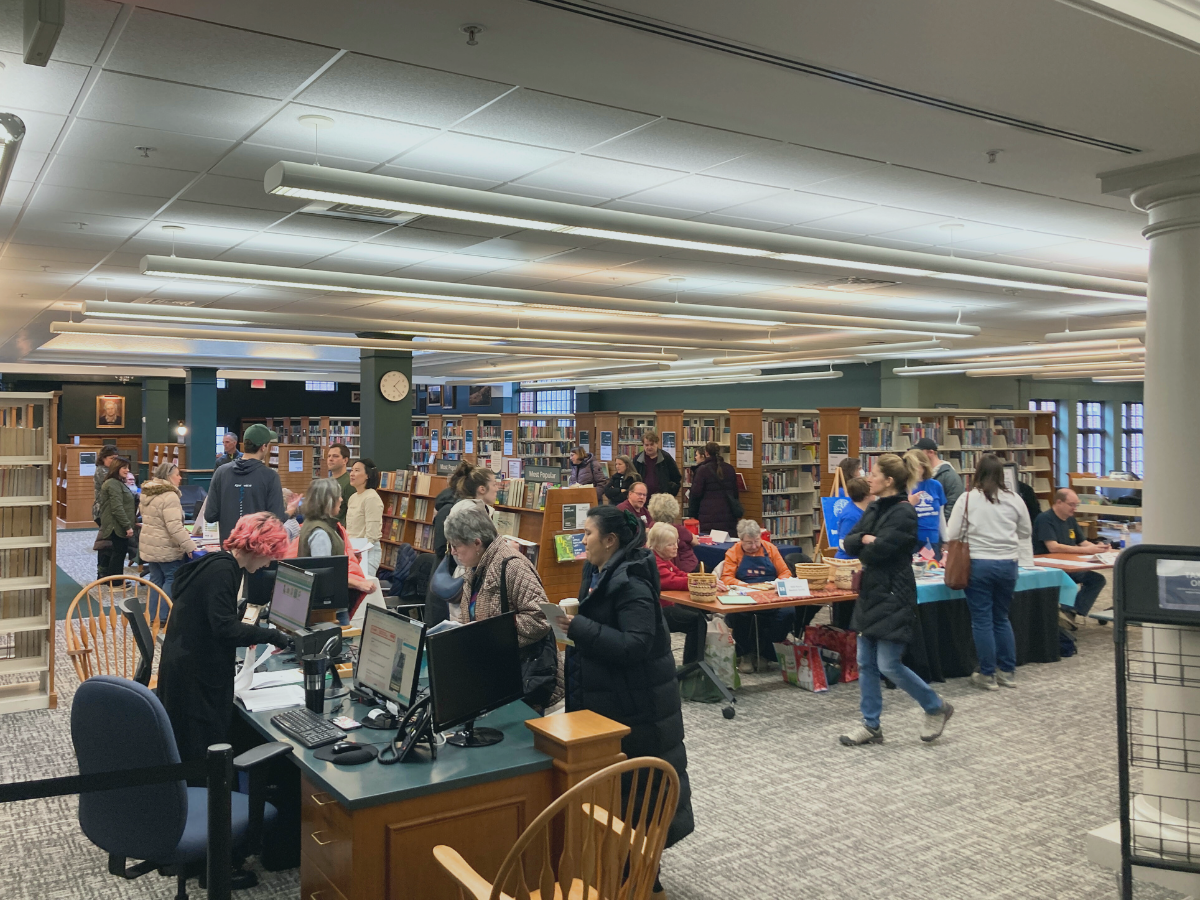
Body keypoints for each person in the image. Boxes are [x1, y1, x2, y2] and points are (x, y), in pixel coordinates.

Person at [558, 506, 694, 866]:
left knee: (639, 799)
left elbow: (635, 646)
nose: (582, 540)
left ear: (610, 540)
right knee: (620, 795)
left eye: (587, 533)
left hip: (638, 709)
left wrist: (577, 629)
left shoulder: (631, 583)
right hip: (615, 702)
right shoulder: (599, 572)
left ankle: (643, 878)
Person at [156, 512, 291, 765]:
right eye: (271, 555)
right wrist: (274, 636)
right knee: (201, 752)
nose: (269, 563)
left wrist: (239, 615)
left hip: (184, 667)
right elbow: (224, 629)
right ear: (260, 547)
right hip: (194, 680)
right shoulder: (223, 570)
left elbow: (212, 614)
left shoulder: (219, 563)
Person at [839, 453, 954, 747]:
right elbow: (849, 542)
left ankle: (935, 706)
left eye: (874, 474)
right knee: (865, 662)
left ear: (888, 481)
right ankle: (871, 725)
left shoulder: (904, 513)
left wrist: (868, 541)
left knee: (888, 664)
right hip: (871, 592)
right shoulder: (875, 507)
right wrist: (867, 540)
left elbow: (881, 551)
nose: (869, 478)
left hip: (894, 593)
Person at [444, 499, 563, 711]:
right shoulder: (475, 567)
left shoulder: (512, 566)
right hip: (494, 677)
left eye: (456, 546)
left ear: (477, 542)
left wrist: (495, 633)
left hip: (523, 678)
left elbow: (541, 617)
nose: (452, 552)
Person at [946, 453, 1033, 690]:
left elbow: (952, 533)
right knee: (1001, 617)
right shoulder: (1015, 498)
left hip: (979, 563)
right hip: (1008, 564)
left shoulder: (967, 499)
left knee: (982, 619)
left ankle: (987, 674)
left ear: (977, 472)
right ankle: (1007, 672)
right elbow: (1026, 531)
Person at [429, 462, 498, 625]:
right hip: (467, 576)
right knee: (464, 625)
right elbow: (475, 547)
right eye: (494, 484)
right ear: (482, 489)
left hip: (467, 574)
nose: (497, 488)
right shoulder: (469, 511)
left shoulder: (469, 507)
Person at [720, 518, 792, 673]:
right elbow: (726, 578)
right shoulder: (733, 552)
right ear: (740, 540)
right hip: (745, 594)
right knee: (739, 612)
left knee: (788, 612)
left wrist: (776, 583)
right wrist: (745, 586)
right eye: (749, 543)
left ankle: (766, 652)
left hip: (770, 595)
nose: (753, 546)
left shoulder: (770, 549)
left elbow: (785, 572)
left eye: (756, 541)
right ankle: (745, 653)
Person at [1033, 488, 1109, 623]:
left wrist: (1096, 548)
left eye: (1076, 505)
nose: (1074, 508)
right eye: (1071, 504)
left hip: (1070, 566)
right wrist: (1086, 551)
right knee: (1070, 584)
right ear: (1059, 502)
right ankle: (1066, 614)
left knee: (1097, 580)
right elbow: (1053, 547)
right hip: (1050, 568)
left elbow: (1082, 542)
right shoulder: (1045, 519)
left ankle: (1071, 612)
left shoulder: (1070, 520)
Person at [205, 423, 285, 544]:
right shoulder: (270, 476)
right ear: (263, 447)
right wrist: (289, 512)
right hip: (257, 551)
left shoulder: (221, 472)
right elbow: (276, 520)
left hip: (229, 549)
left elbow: (210, 515)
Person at [139, 461, 199, 610]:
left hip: (150, 544)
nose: (180, 478)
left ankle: (153, 615)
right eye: (177, 475)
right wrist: (190, 547)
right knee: (171, 578)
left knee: (155, 580)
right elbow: (174, 527)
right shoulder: (169, 496)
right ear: (168, 477)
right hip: (166, 546)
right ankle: (164, 616)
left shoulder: (148, 492)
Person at [647, 521, 704, 665]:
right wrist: (701, 583)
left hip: (665, 606)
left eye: (676, 542)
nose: (676, 547)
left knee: (700, 616)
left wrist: (699, 579)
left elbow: (680, 574)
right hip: (656, 611)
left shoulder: (662, 559)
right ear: (658, 546)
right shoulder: (654, 562)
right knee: (698, 621)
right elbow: (673, 581)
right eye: (671, 544)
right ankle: (692, 667)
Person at [687, 441, 741, 536]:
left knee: (710, 544)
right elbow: (735, 493)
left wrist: (692, 514)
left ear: (706, 453)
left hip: (708, 516)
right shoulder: (729, 469)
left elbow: (695, 494)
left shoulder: (702, 470)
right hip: (728, 515)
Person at [97, 456, 136, 580]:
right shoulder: (113, 483)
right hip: (116, 525)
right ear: (117, 468)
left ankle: (116, 579)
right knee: (118, 553)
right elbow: (117, 507)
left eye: (128, 468)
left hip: (118, 523)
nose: (127, 470)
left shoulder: (117, 483)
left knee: (119, 552)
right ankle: (115, 582)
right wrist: (127, 526)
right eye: (124, 467)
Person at [904, 449, 947, 556]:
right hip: (911, 539)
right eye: (911, 467)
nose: (915, 470)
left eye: (917, 466)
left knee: (932, 569)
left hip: (932, 539)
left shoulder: (936, 485)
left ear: (924, 466)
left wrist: (946, 540)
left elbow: (940, 515)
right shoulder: (904, 487)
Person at [346, 458, 384, 578]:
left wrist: (358, 552)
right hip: (353, 549)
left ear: (367, 475)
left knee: (363, 588)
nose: (352, 474)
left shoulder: (371, 497)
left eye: (357, 470)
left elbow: (372, 535)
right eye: (351, 470)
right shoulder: (353, 497)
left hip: (367, 552)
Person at [913, 437, 963, 518]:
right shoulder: (920, 475)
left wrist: (940, 523)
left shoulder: (950, 476)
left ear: (931, 453)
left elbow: (954, 504)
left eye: (920, 453)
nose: (916, 456)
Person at [648, 492, 697, 573]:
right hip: (685, 568)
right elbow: (695, 542)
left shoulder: (652, 527)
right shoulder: (677, 529)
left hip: (664, 567)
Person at [92, 444, 119, 578]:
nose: (114, 461)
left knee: (108, 543)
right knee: (105, 543)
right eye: (111, 458)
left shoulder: (108, 471)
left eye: (116, 458)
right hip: (103, 510)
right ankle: (102, 572)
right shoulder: (103, 471)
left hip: (105, 510)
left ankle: (104, 571)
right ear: (103, 458)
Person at [633, 429, 681, 499]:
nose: (649, 447)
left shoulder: (666, 458)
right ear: (643, 445)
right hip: (642, 499)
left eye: (652, 444)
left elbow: (676, 477)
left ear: (657, 443)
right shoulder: (637, 459)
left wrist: (671, 492)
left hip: (662, 500)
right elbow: (633, 479)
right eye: (646, 445)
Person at [834, 477, 871, 559]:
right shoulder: (851, 515)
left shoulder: (865, 510)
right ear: (866, 496)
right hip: (848, 562)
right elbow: (843, 542)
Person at [326, 443, 354, 526]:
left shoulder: (350, 483)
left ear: (345, 460)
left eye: (335, 456)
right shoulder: (327, 482)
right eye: (329, 456)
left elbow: (352, 513)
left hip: (339, 532)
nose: (330, 459)